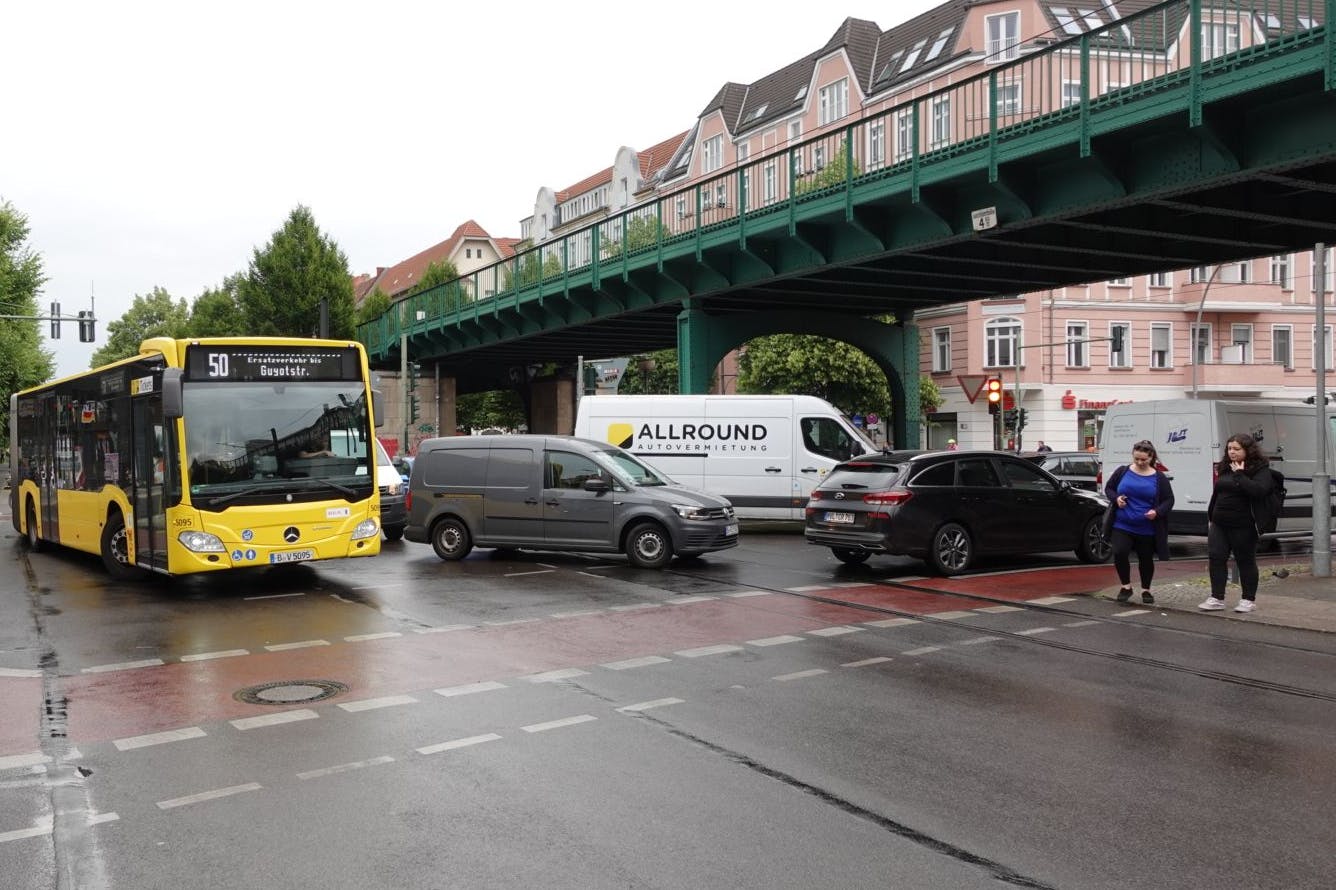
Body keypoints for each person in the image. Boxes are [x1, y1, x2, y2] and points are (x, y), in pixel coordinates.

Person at [1199, 433, 1274, 613]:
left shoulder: (1260, 469)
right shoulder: (1225, 467)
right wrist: (1211, 517)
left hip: (1244, 524)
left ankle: (1248, 599)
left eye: (1236, 449)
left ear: (1248, 450)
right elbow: (1217, 493)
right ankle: (1217, 597)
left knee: (1245, 560)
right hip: (1219, 522)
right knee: (1216, 557)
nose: (1232, 452)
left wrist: (1240, 474)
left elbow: (1259, 491)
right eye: (1229, 448)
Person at [1103, 439, 1174, 604]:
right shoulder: (1123, 471)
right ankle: (1126, 586)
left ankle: (1146, 590)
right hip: (1122, 523)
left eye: (1144, 459)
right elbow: (1109, 488)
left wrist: (1156, 512)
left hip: (1147, 527)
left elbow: (1169, 500)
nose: (1140, 462)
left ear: (1151, 458)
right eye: (1136, 459)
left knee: (1145, 558)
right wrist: (1116, 498)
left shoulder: (1159, 477)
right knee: (1120, 552)